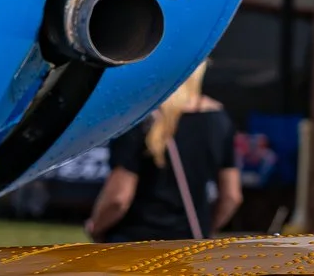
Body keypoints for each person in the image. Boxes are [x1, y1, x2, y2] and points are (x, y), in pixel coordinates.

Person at [85, 62, 242, 240]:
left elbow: (119, 198)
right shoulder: (219, 119)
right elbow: (231, 196)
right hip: (188, 245)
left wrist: (95, 226)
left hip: (135, 241)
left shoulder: (139, 117)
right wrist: (207, 229)